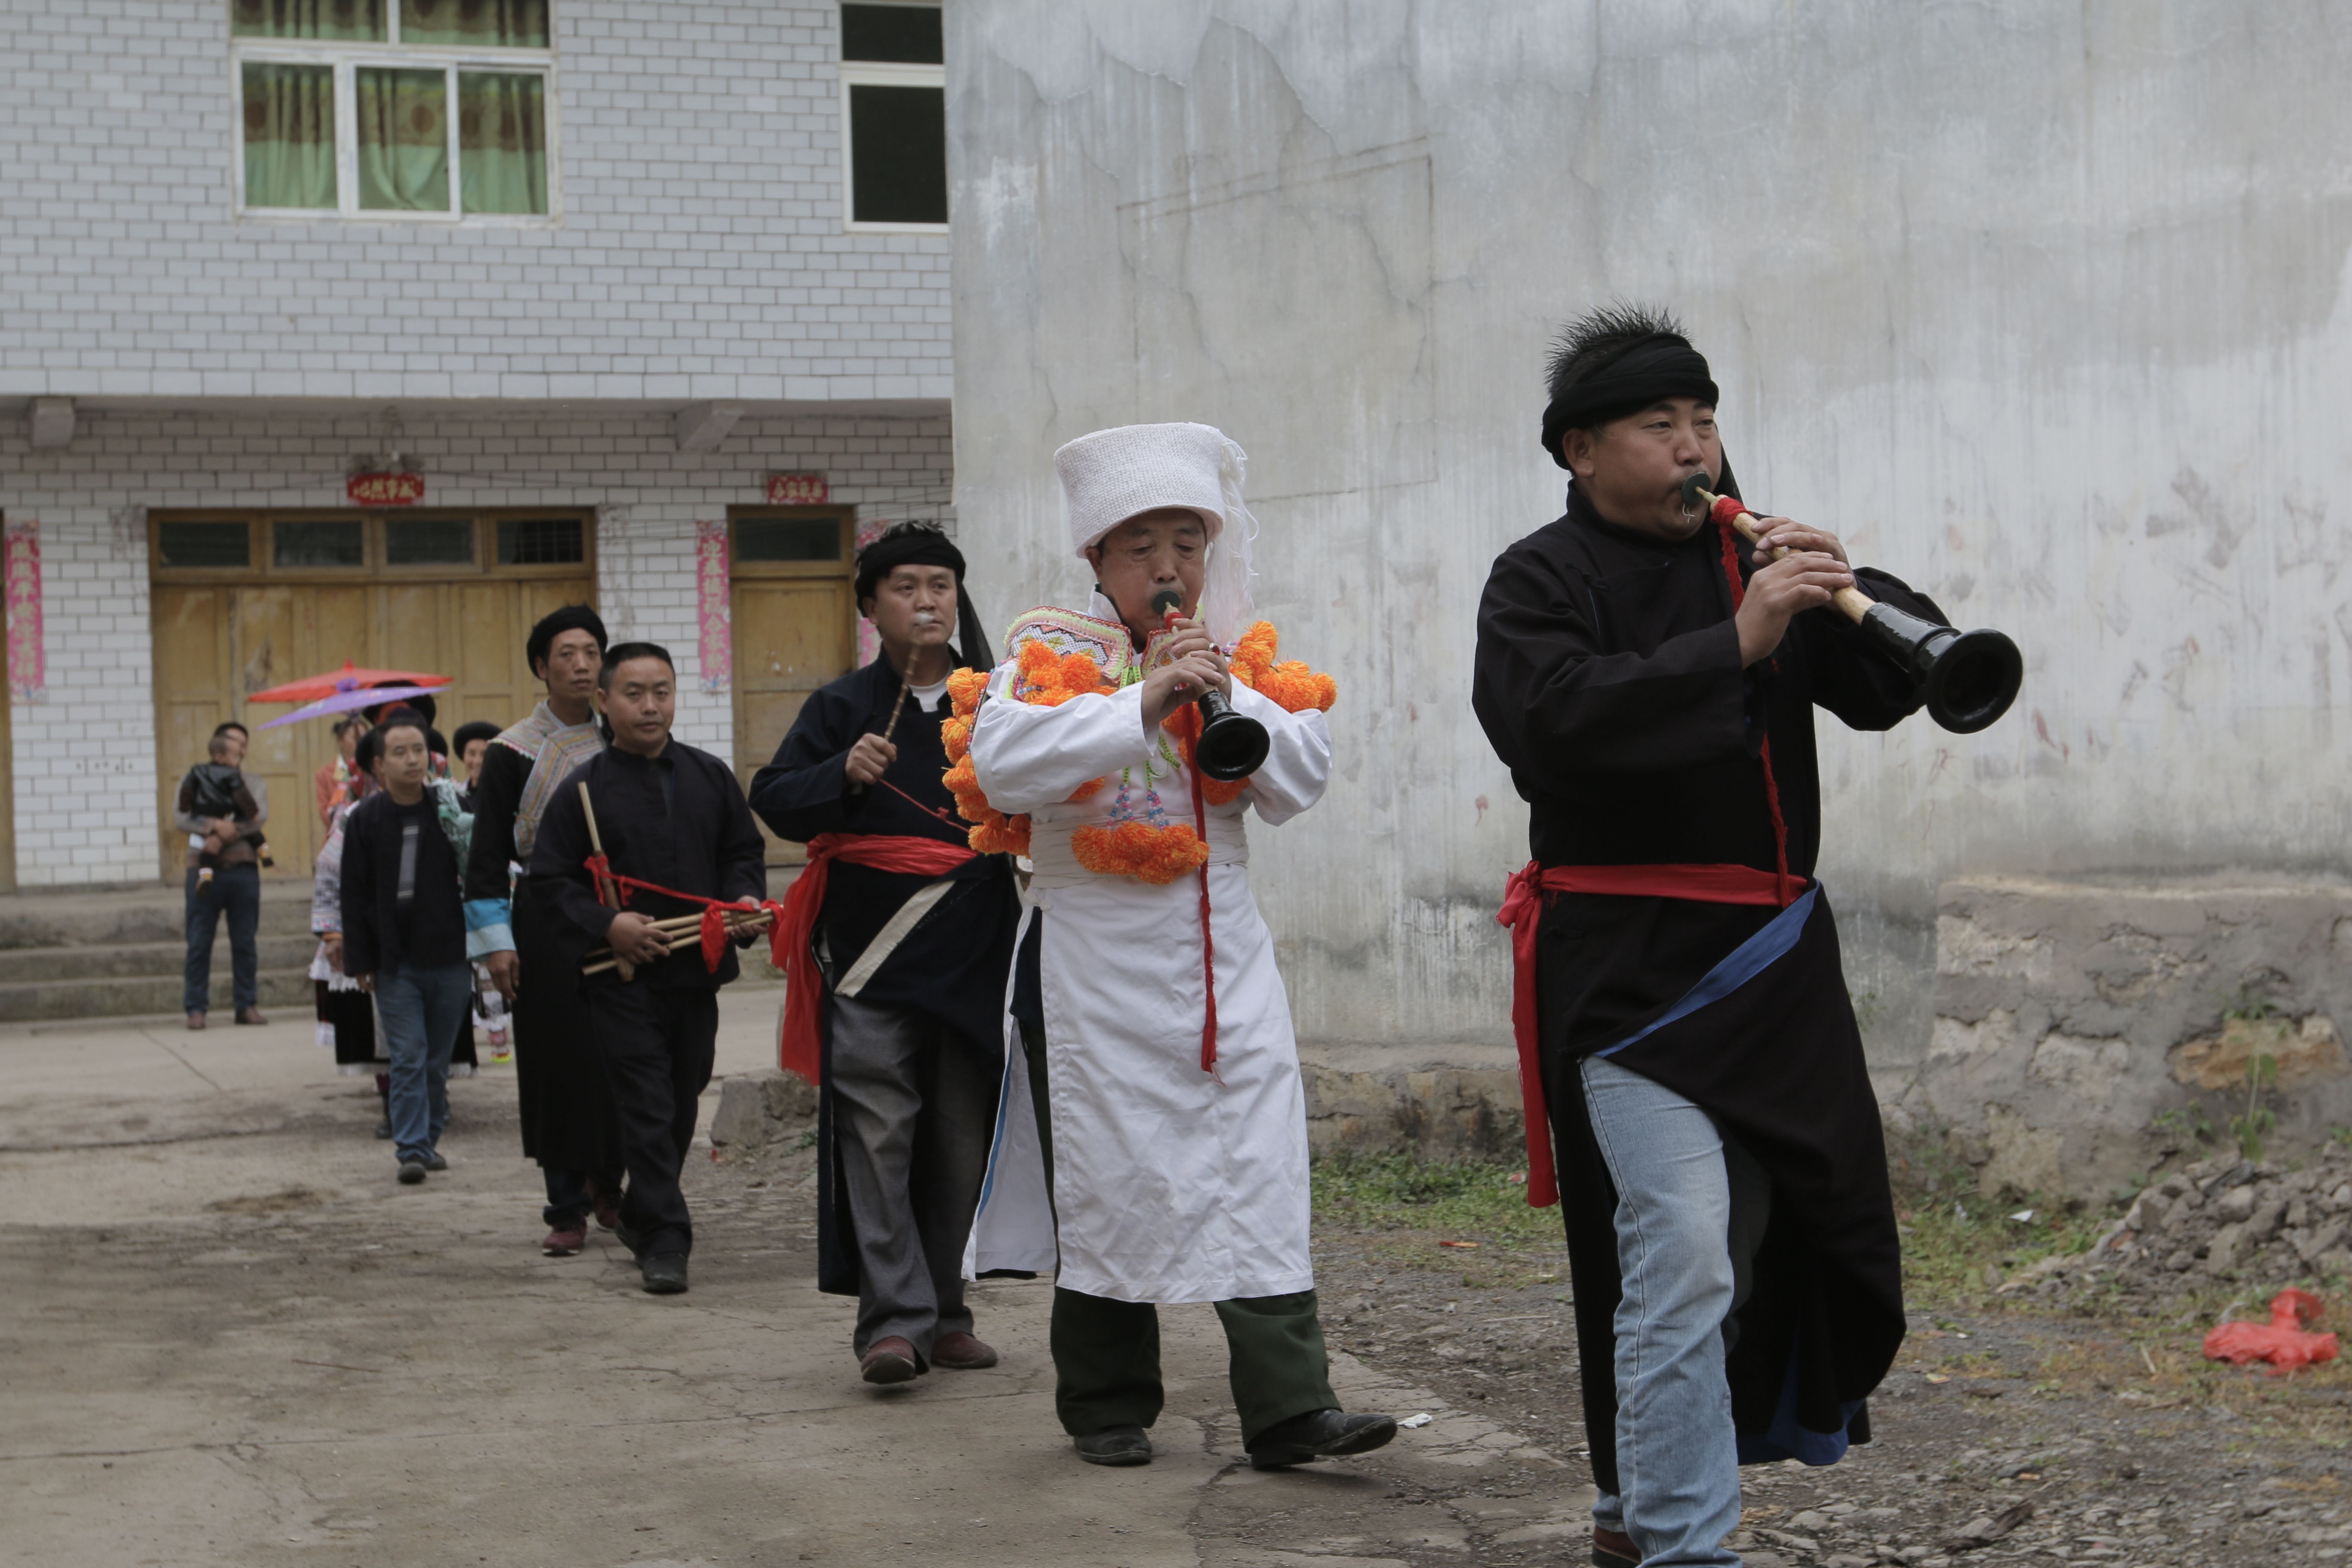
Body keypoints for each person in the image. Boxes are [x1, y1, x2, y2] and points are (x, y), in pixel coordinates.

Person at [1473, 306, 1940, 1568]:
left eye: (1704, 420)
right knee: (1678, 1246)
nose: (1694, 447)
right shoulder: (1537, 579)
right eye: (1658, 424)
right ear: (1579, 450)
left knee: (1752, 1245)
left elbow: (1893, 691)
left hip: (1770, 967)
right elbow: (1547, 725)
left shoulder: (1758, 557)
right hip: (1628, 969)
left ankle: (1633, 1508)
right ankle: (1688, 1546)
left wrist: (1846, 586)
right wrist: (1736, 642)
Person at [956, 421, 1395, 1472]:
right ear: (1098, 556)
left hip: (1222, 949)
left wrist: (1217, 693)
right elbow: (1003, 766)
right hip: (1093, 958)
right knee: (1109, 1171)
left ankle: (1291, 1409)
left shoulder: (1235, 658)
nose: (1168, 568)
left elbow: (1297, 783)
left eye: (1187, 545)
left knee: (1258, 1162)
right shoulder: (1045, 656)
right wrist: (1142, 697)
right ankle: (1105, 1402)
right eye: (1142, 546)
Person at [749, 522, 1020, 1384]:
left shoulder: (1003, 701)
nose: (927, 602)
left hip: (975, 947)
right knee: (878, 1135)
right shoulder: (840, 708)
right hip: (871, 953)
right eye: (906, 587)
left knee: (961, 1139)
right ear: (872, 606)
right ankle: (892, 1323)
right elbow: (773, 798)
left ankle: (945, 1311)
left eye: (940, 585)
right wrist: (839, 772)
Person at [529, 643, 769, 1295]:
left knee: (684, 1094)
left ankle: (639, 1211)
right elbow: (550, 880)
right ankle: (665, 1238)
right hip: (620, 978)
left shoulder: (710, 777)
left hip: (696, 970)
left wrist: (744, 900)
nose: (650, 706)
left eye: (661, 691)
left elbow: (741, 854)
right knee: (647, 1103)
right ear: (604, 702)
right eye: (634, 693)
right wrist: (608, 925)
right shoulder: (581, 791)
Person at [464, 607, 626, 1258]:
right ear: (541, 666)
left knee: (617, 1052)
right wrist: (497, 944)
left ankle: (609, 1183)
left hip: (617, 912)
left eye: (592, 653)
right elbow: (485, 857)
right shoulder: (512, 752)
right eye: (567, 654)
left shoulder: (623, 738)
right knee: (555, 1060)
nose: (582, 666)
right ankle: (565, 1202)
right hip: (544, 915)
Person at [340, 709, 475, 1186]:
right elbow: (353, 893)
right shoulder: (365, 819)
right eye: (400, 753)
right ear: (380, 765)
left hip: (451, 957)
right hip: (395, 962)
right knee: (409, 1056)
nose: (412, 760)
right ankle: (412, 1149)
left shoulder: (451, 810)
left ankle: (429, 1139)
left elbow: (480, 871)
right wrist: (360, 960)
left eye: (419, 750)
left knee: (437, 1061)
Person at [176, 720, 271, 1030]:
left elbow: (258, 818)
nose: (241, 750)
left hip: (243, 870)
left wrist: (225, 835)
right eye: (235, 743)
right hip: (202, 871)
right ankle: (196, 1008)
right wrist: (214, 827)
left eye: (244, 744)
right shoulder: (194, 777)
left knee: (245, 941)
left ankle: (246, 1005)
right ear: (219, 747)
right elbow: (181, 816)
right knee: (199, 941)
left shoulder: (253, 782)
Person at [315, 715, 369, 829]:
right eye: (354, 737)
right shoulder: (325, 774)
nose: (360, 742)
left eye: (364, 737)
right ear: (340, 741)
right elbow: (325, 813)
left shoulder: (375, 770)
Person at [452, 721, 500, 803]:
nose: (478, 761)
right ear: (464, 756)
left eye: (484, 755)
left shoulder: (504, 796)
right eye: (472, 754)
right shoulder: (455, 797)